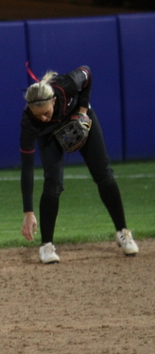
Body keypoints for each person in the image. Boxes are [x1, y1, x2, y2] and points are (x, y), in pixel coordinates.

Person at [20, 65, 139, 263]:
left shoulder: (66, 85)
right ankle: (47, 246)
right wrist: (28, 212)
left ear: (54, 101)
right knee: (53, 183)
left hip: (81, 119)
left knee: (103, 173)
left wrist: (83, 110)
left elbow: (87, 72)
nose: (42, 117)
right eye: (37, 114)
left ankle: (123, 232)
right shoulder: (29, 123)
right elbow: (27, 167)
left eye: (46, 112)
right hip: (50, 136)